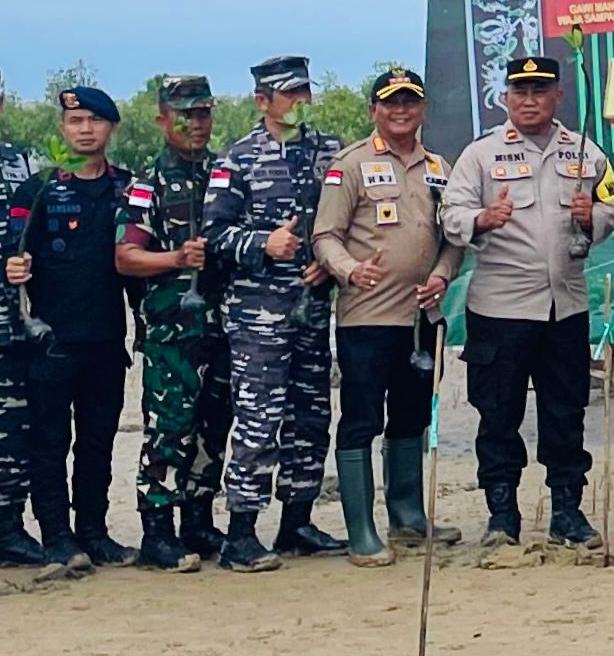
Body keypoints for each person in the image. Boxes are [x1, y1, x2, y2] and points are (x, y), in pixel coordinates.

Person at [436, 49, 614, 552]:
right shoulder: (480, 154)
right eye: (521, 91)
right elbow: (449, 212)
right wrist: (480, 220)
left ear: (558, 96)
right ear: (505, 98)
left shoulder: (585, 150)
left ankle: (567, 511)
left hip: (565, 307)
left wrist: (592, 217)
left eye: (541, 91)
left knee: (566, 412)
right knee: (498, 414)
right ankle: (502, 514)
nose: (530, 100)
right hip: (500, 310)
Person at [313, 66, 453, 567]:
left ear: (422, 108)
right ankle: (362, 531)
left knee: (412, 418)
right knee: (361, 421)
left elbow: (453, 238)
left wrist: (443, 273)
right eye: (390, 102)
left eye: (410, 102)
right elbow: (324, 234)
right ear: (374, 109)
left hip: (422, 315)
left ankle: (408, 514)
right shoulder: (349, 165)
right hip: (366, 318)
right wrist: (349, 271)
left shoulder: (440, 166)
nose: (401, 111)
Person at [208, 53, 343, 570]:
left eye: (304, 93)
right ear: (263, 101)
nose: (299, 103)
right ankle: (241, 532)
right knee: (259, 421)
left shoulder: (329, 153)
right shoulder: (237, 158)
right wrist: (265, 242)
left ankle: (297, 522)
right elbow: (215, 234)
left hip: (312, 310)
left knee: (310, 417)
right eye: (289, 94)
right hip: (258, 314)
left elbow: (348, 221)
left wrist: (330, 264)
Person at [12, 85, 136, 570]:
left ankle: (94, 531)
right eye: (75, 122)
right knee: (48, 444)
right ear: (62, 130)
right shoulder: (39, 189)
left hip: (106, 340)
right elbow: (12, 252)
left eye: (94, 121)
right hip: (50, 343)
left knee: (97, 443)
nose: (85, 130)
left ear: (111, 128)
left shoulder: (129, 189)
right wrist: (14, 267)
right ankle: (57, 536)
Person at [118, 74, 231, 572]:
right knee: (170, 429)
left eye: (203, 113)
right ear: (163, 118)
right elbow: (125, 257)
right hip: (171, 330)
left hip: (224, 325)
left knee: (215, 425)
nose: (196, 123)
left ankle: (199, 518)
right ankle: (157, 530)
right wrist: (175, 259)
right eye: (185, 114)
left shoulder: (228, 175)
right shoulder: (148, 184)